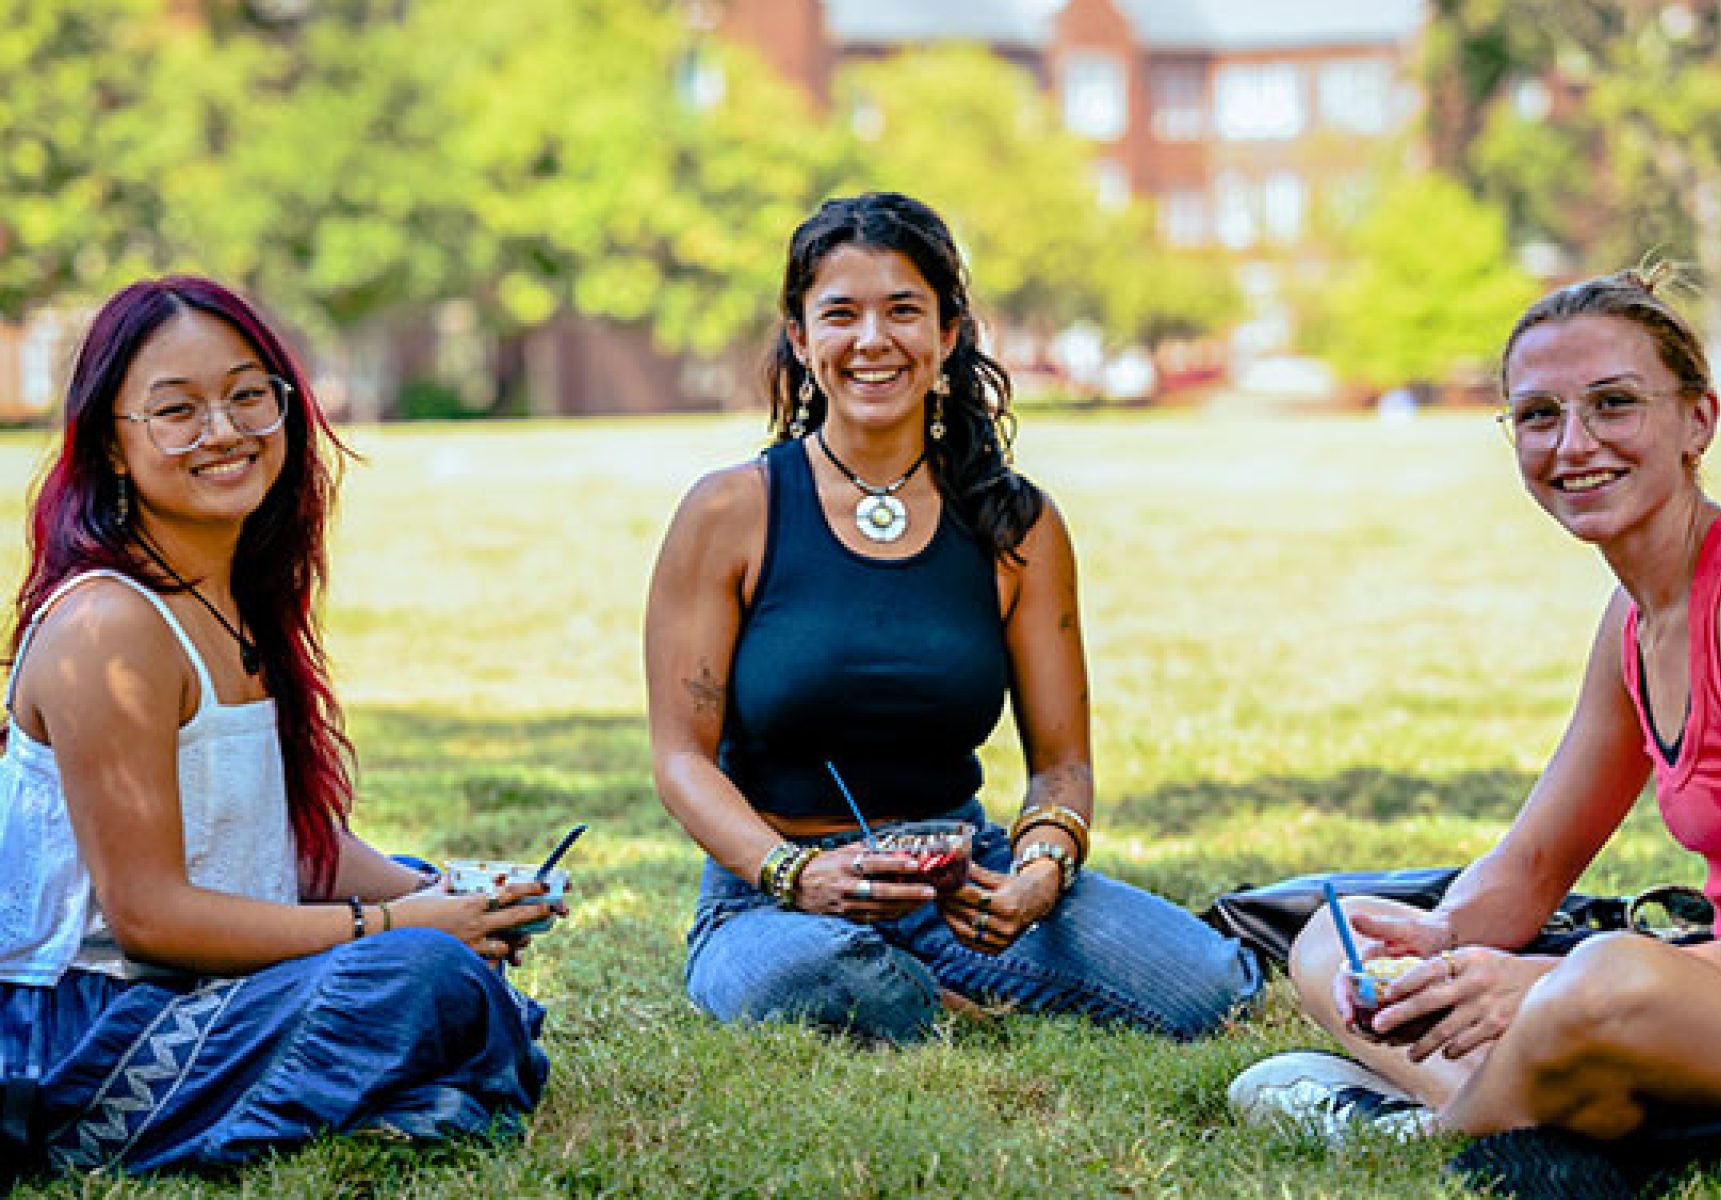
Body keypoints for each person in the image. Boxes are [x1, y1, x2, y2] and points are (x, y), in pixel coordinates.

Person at [1229, 265, 1721, 1194]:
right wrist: (1439, 948)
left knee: (1607, 978)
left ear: (1699, 419)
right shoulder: (1634, 616)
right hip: (1698, 993)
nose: (1574, 444)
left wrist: (1534, 984)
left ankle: (1425, 1130)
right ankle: (1541, 1102)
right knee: (1331, 941)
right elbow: (1535, 865)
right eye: (1538, 415)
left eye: (1614, 404)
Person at [645, 192, 1261, 1044]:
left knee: (1209, 986)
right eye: (840, 314)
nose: (872, 341)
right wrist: (795, 874)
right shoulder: (727, 512)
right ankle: (917, 995)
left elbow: (1062, 767)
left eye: (903, 310)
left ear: (946, 335)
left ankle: (934, 979)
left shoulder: (1017, 527)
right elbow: (681, 759)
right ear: (799, 338)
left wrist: (1041, 871)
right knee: (821, 972)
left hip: (963, 879)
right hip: (771, 896)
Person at [0, 277, 555, 1177]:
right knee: (423, 974)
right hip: (78, 1032)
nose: (224, 432)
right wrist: (397, 927)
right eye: (177, 411)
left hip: (198, 990)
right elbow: (147, 917)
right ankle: (396, 1092)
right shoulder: (110, 627)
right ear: (110, 441)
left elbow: (282, 844)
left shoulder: (229, 596)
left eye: (248, 396)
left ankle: (402, 1087)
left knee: (432, 931)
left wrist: (456, 896)